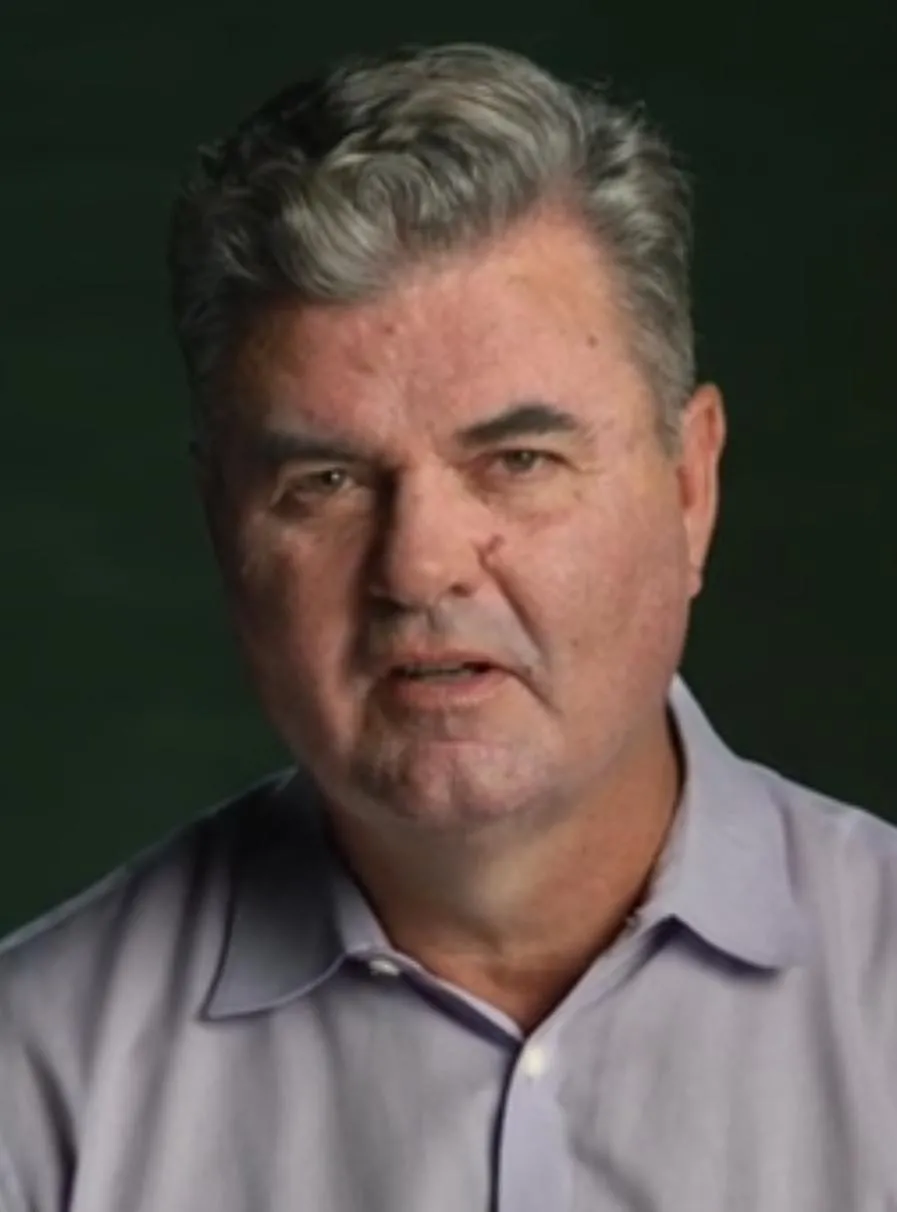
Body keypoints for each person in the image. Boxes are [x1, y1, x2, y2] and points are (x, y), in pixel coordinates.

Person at [0, 41, 894, 1212]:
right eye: (325, 482)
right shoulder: (32, 1091)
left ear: (691, 488)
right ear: (222, 527)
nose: (418, 566)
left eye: (518, 460)